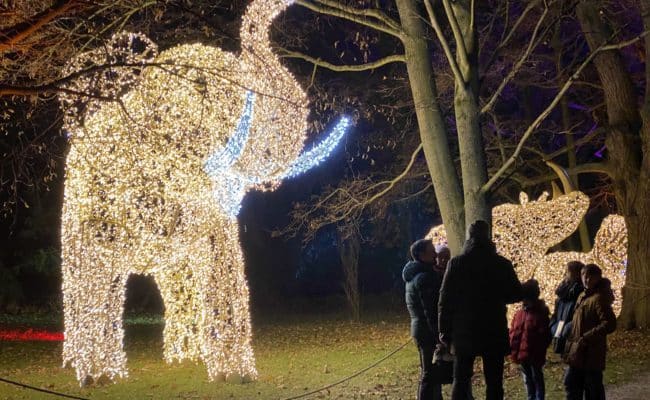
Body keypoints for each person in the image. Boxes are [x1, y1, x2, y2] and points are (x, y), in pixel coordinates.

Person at [438, 220, 522, 400]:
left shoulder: (457, 264)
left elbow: (445, 300)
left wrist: (444, 329)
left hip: (464, 330)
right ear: (487, 235)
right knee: (494, 382)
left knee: (460, 380)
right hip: (493, 328)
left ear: (469, 236)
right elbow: (514, 294)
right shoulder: (501, 264)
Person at [563, 264, 616, 400]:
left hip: (591, 353)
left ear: (597, 278)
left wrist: (587, 337)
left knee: (593, 389)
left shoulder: (599, 298)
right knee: (572, 385)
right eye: (583, 276)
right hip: (577, 351)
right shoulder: (583, 295)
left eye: (590, 276)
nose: (586, 279)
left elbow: (609, 324)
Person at [403, 239, 443, 400]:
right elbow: (430, 311)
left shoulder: (415, 275)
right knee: (429, 373)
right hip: (426, 331)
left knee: (429, 371)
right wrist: (438, 334)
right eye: (431, 251)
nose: (435, 254)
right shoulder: (424, 278)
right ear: (421, 255)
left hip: (420, 329)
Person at [509, 279, 552, 400]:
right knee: (528, 379)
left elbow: (544, 335)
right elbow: (515, 332)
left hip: (533, 354)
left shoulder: (539, 314)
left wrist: (538, 349)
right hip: (522, 355)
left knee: (536, 378)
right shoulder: (520, 314)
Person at [550, 261, 585, 354]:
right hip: (559, 328)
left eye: (568, 271)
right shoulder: (563, 291)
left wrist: (567, 329)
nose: (565, 274)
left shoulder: (581, 293)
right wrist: (553, 326)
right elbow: (556, 313)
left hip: (571, 333)